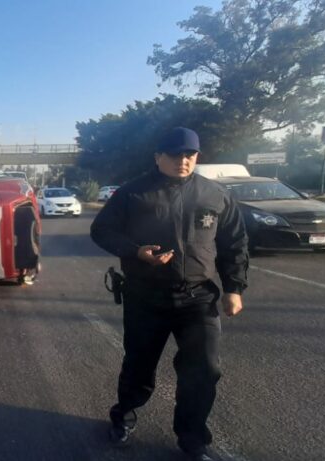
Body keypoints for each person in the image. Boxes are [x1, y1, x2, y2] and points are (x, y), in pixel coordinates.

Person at [89, 127, 248, 461]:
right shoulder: (133, 193)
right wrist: (135, 252)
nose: (183, 161)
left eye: (189, 155)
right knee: (139, 367)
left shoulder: (214, 194)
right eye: (175, 155)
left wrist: (234, 288)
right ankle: (124, 417)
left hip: (198, 297)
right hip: (147, 297)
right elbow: (101, 230)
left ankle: (192, 439)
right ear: (158, 157)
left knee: (203, 369)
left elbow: (233, 242)